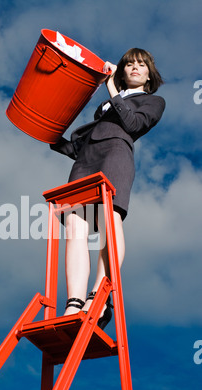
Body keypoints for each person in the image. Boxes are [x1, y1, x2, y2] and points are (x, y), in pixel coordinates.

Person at [50, 47, 165, 329]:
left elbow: (132, 124)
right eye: (129, 64)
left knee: (108, 222)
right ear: (123, 71)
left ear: (149, 74)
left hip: (116, 156)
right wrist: (52, 136)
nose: (134, 68)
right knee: (75, 227)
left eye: (141, 64)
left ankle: (99, 296)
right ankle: (74, 302)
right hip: (86, 161)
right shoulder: (105, 107)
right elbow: (81, 144)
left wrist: (112, 89)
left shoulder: (154, 101)